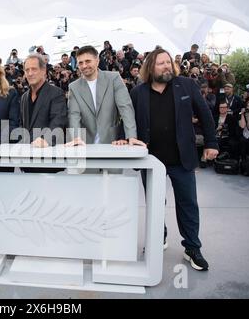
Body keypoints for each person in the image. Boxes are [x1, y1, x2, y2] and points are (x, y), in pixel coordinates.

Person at [124, 48, 218, 271]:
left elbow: (205, 115)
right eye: (160, 63)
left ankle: (192, 248)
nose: (166, 66)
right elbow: (129, 122)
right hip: (152, 161)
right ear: (150, 68)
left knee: (188, 204)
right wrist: (124, 140)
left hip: (182, 159)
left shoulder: (186, 85)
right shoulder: (138, 92)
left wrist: (212, 144)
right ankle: (158, 237)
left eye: (168, 62)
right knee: (155, 203)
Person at [66, 45, 144, 146]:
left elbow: (125, 107)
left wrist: (131, 136)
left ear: (97, 60)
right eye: (80, 63)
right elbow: (74, 115)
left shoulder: (114, 78)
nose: (84, 66)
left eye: (88, 61)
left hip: (113, 143)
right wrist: (76, 138)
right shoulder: (74, 87)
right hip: (85, 145)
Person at [20, 54, 67, 148]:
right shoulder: (24, 97)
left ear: (43, 70)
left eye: (34, 69)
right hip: (28, 151)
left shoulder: (56, 93)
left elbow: (57, 122)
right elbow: (22, 125)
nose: (30, 73)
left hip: (48, 151)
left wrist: (46, 140)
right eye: (27, 70)